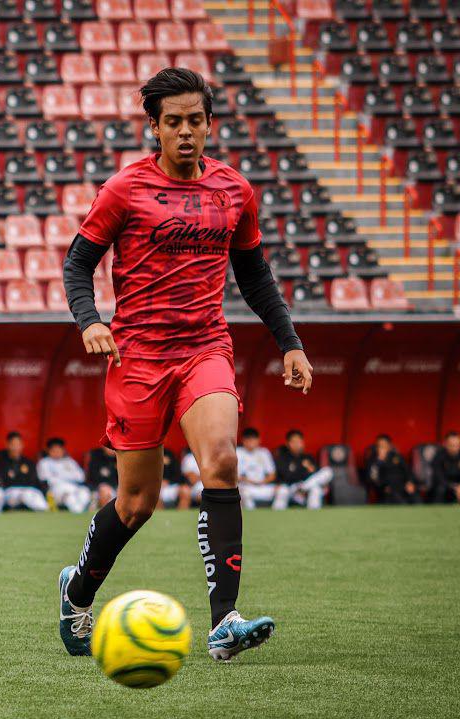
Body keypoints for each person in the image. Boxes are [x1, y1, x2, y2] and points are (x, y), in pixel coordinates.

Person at [56, 67, 313, 662]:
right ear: (155, 126)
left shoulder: (235, 190)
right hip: (139, 355)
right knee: (137, 504)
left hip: (205, 347)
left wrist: (289, 342)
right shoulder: (124, 189)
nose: (186, 131)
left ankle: (225, 623)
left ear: (209, 123)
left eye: (195, 119)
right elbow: (78, 264)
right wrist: (90, 321)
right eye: (173, 121)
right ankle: (79, 589)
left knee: (221, 461)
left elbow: (253, 272)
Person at [272, 429, 334, 509]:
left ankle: (313, 517)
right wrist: (304, 471)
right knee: (282, 491)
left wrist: (309, 471)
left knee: (327, 472)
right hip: (292, 488)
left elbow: (316, 475)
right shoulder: (283, 458)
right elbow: (287, 477)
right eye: (294, 442)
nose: (297, 444)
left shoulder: (308, 457)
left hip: (306, 487)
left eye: (299, 442)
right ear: (288, 444)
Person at [0, 432, 50, 513]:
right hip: (8, 492)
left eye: (18, 444)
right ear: (7, 445)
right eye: (13, 444)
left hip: (26, 491)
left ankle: (45, 511)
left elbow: (34, 482)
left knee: (32, 494)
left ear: (22, 445)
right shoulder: (0, 461)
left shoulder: (28, 462)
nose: (15, 447)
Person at [37, 438, 93, 513]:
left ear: (63, 450)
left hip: (74, 487)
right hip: (56, 490)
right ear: (49, 451)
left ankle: (80, 512)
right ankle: (78, 512)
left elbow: (81, 477)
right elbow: (46, 480)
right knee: (69, 496)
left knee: (84, 492)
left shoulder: (69, 461)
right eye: (54, 450)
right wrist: (66, 478)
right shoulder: (44, 462)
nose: (57, 452)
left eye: (59, 450)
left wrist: (63, 477)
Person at [365, 435, 419, 504]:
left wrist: (410, 482)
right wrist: (379, 463)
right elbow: (372, 479)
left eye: (383, 445)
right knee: (398, 500)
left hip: (402, 486)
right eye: (378, 446)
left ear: (389, 446)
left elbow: (407, 471)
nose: (380, 448)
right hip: (387, 489)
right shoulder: (373, 460)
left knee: (416, 498)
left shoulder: (396, 457)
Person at [236, 428, 277, 509]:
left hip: (262, 485)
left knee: (283, 491)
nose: (251, 442)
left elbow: (272, 475)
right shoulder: (238, 452)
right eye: (248, 440)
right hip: (245, 486)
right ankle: (252, 514)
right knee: (243, 492)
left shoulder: (264, 452)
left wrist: (262, 482)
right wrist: (248, 481)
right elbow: (234, 476)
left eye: (253, 439)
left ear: (258, 440)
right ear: (243, 440)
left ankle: (278, 516)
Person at [429, 431, 460, 504]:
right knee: (440, 490)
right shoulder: (438, 456)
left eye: (457, 445)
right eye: (452, 445)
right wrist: (453, 487)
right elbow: (438, 477)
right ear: (445, 444)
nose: (455, 448)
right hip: (446, 485)